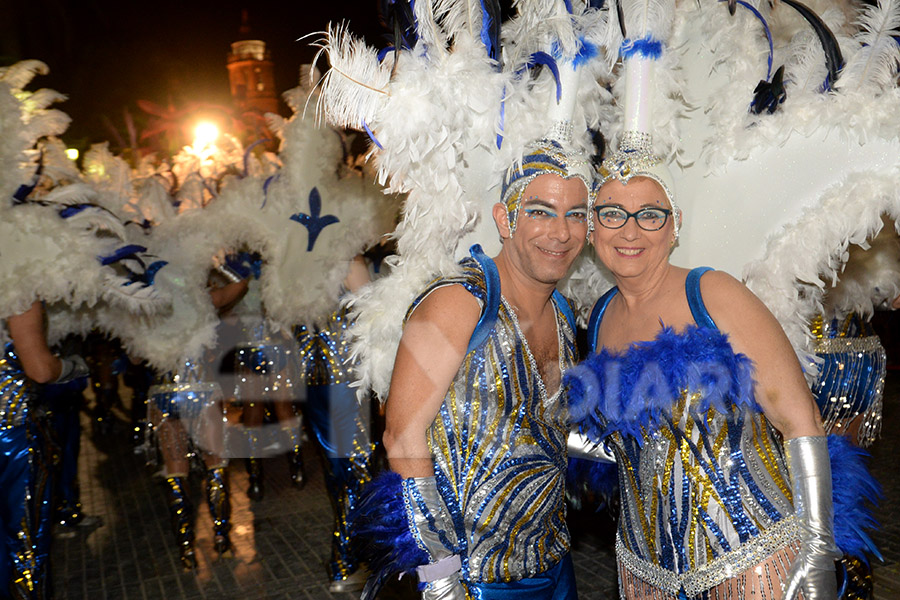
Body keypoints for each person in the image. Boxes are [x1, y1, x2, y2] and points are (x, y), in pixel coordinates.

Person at [564, 142, 862, 600]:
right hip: (644, 575)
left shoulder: (713, 294)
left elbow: (800, 420)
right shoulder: (601, 316)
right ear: (592, 227)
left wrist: (819, 550)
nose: (630, 230)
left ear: (674, 225)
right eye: (612, 213)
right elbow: (633, 440)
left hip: (752, 564)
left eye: (650, 214)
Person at [357, 139, 593, 600]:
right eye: (541, 212)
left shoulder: (563, 313)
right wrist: (440, 580)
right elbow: (402, 438)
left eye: (577, 214)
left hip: (552, 565)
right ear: (504, 219)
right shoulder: (458, 301)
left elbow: (544, 431)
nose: (561, 233)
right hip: (470, 579)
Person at [2, 301, 89, 599]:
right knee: (26, 542)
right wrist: (74, 367)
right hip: (12, 437)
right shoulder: (16, 281)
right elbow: (40, 370)